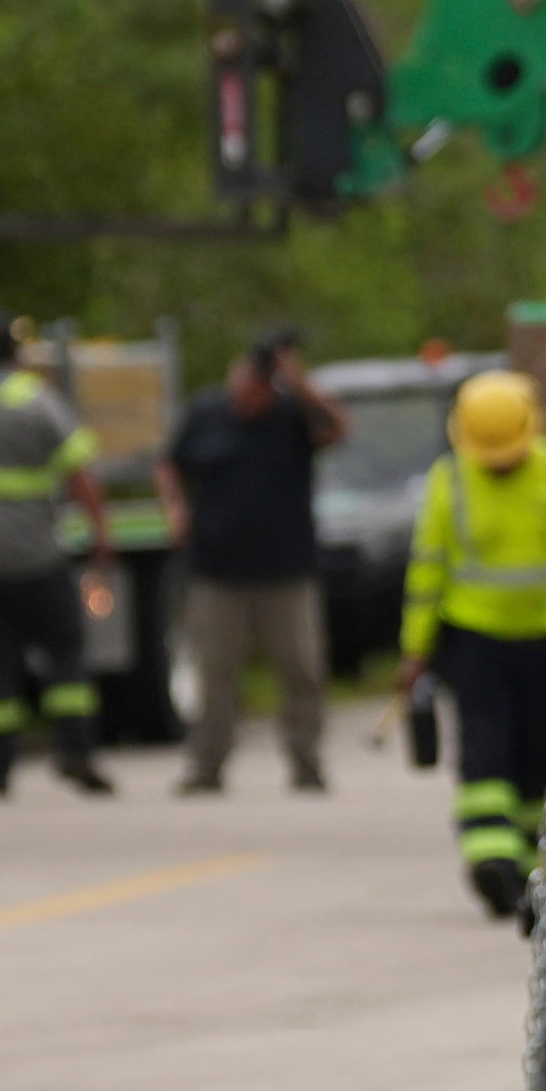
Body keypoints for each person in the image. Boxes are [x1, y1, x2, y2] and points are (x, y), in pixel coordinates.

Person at [402, 364, 546, 918]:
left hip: (480, 642)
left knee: (492, 750)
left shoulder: (450, 480)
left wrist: (415, 651)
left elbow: (426, 573)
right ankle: (515, 862)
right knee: (532, 752)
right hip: (542, 641)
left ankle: (503, 862)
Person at [0, 316, 116, 801]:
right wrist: (100, 533)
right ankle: (74, 751)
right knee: (65, 655)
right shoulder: (34, 399)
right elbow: (80, 472)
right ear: (15, 355)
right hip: (36, 557)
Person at [160, 327, 342, 796]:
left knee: (301, 669)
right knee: (214, 672)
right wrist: (175, 508)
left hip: (287, 570)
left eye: (255, 392)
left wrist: (296, 382)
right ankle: (207, 765)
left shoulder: (291, 416)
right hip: (218, 572)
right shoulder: (206, 414)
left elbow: (337, 428)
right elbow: (169, 463)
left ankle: (306, 761)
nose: (245, 400)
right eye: (239, 390)